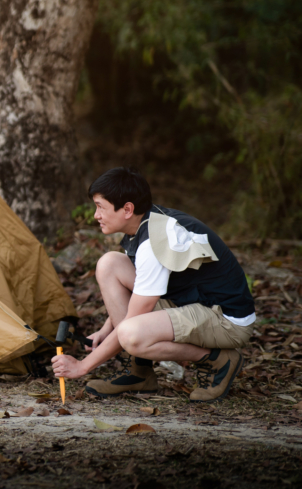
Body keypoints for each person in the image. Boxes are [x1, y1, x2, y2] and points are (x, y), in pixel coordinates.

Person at [51, 167, 256, 402]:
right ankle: (140, 372)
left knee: (131, 334)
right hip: (193, 302)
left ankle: (219, 360)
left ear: (127, 209)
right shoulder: (146, 223)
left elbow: (133, 317)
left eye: (101, 207)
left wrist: (83, 366)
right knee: (110, 264)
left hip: (226, 320)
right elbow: (141, 290)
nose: (96, 215)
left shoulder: (154, 242)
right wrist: (106, 331)